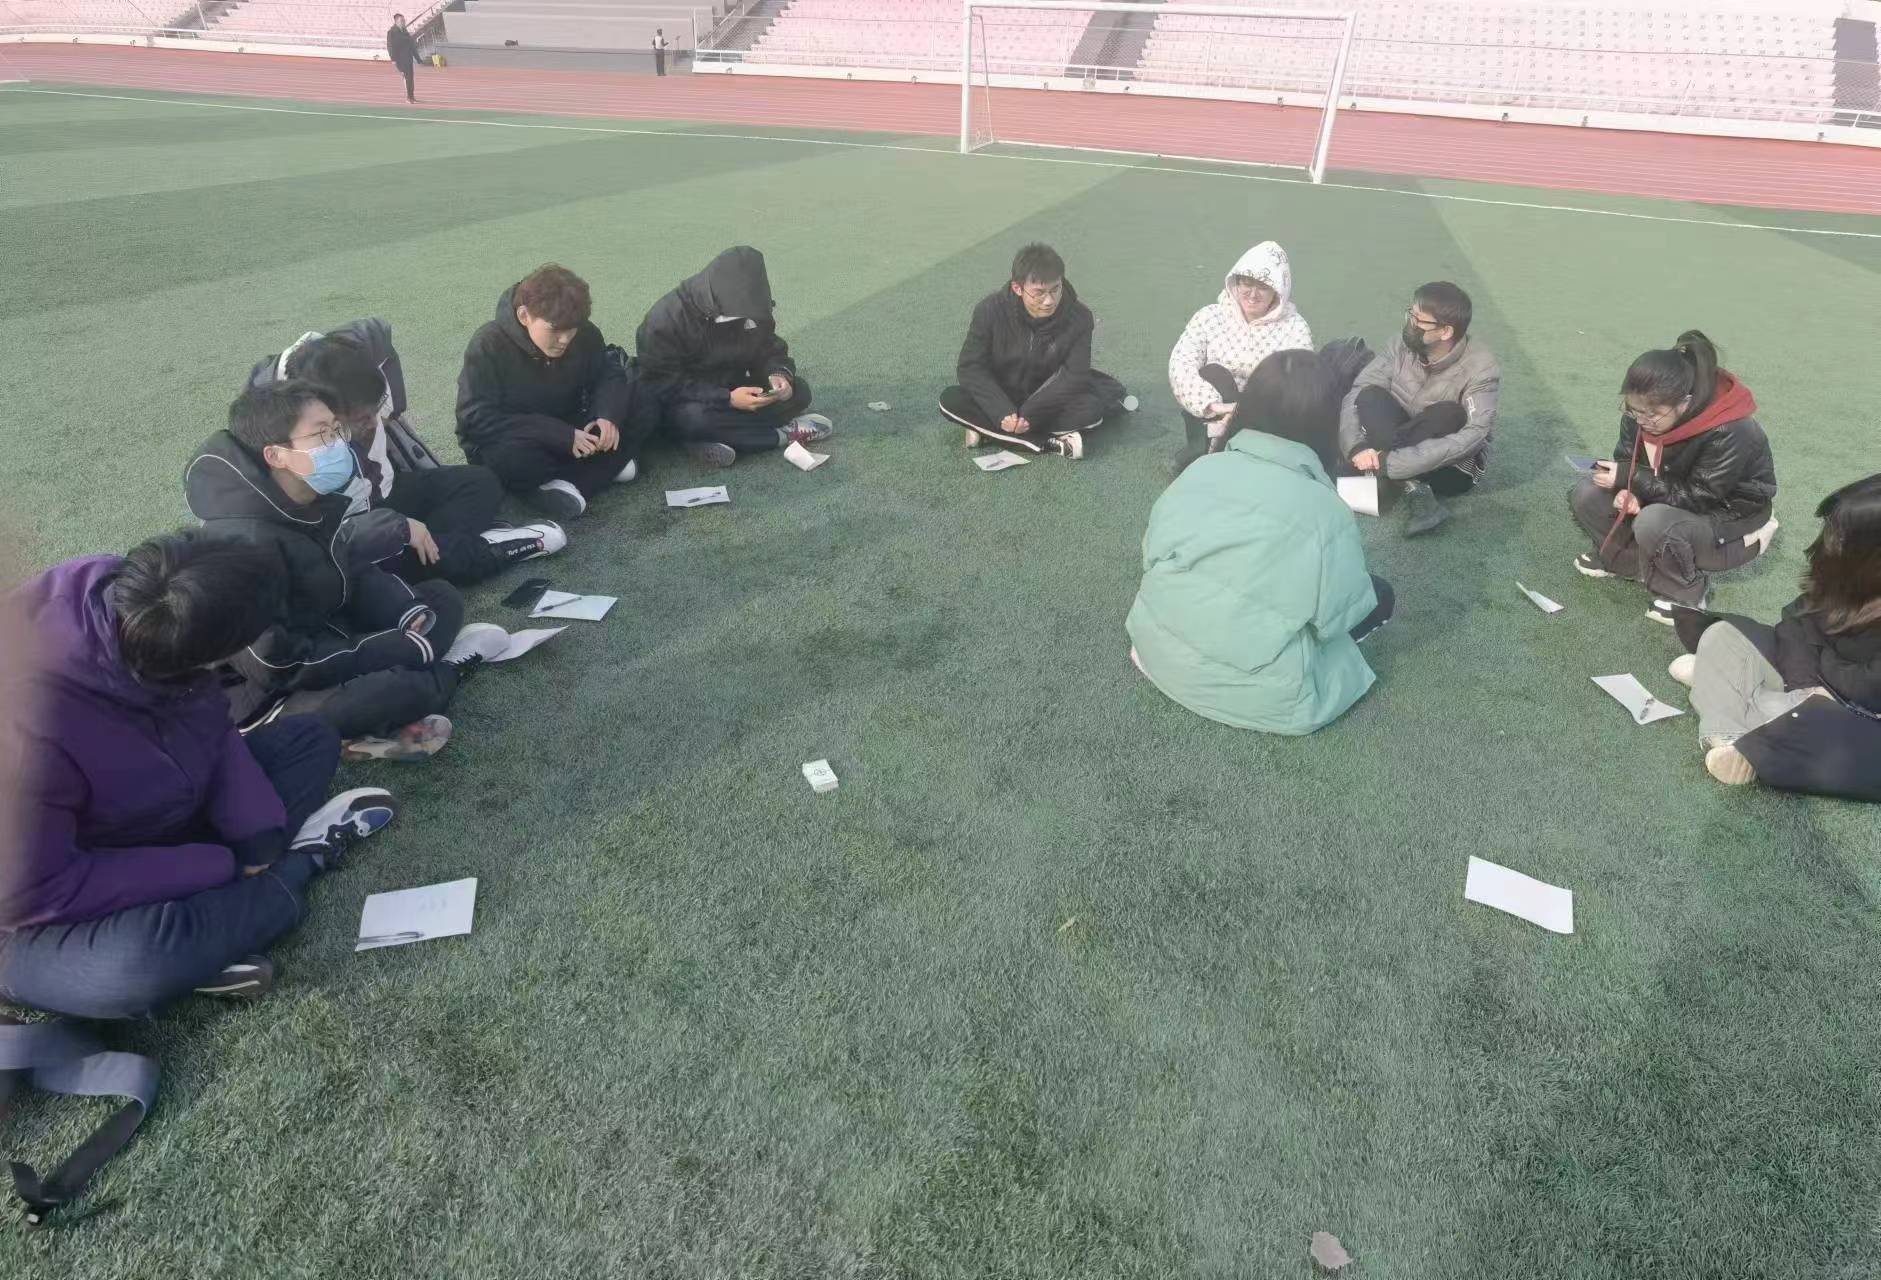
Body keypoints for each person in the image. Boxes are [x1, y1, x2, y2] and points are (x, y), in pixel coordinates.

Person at [0, 533, 399, 1020]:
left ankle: (220, 930)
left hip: (148, 819)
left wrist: (254, 836)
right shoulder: (23, 733)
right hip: (34, 907)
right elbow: (37, 891)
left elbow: (211, 724)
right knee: (135, 965)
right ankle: (298, 868)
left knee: (309, 740)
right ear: (200, 657)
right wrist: (214, 864)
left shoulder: (147, 607)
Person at [188, 382, 505, 760]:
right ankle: (446, 669)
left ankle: (404, 679)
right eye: (321, 434)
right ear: (276, 455)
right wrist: (389, 647)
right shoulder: (239, 549)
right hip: (270, 697)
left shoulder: (307, 498)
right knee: (401, 690)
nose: (338, 443)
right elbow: (279, 664)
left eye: (336, 428)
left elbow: (349, 569)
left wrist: (404, 611)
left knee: (440, 599)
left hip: (328, 632)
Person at [1127, 349, 1392, 734]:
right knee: (1377, 595)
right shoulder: (1326, 511)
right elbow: (1339, 616)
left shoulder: (1200, 469)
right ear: (1326, 420)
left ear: (1248, 404)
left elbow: (1151, 554)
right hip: (1260, 693)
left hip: (1156, 653)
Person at [252, 322, 565, 583]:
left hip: (385, 490)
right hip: (348, 522)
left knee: (480, 481)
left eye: (374, 410)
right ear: (324, 414)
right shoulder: (280, 426)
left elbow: (375, 335)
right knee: (402, 568)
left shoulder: (349, 365)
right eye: (359, 420)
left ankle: (441, 544)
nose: (371, 423)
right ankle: (487, 549)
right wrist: (393, 529)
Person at [1665, 474, 1881, 797]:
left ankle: (1727, 695)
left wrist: (1819, 675)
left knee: (1818, 722)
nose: (1829, 539)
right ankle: (1729, 733)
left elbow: (1869, 687)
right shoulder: (1842, 574)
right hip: (1805, 679)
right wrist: (1803, 680)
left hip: (1852, 711)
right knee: (1722, 635)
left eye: (1839, 534)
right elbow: (1795, 622)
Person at [1570, 330, 1778, 624]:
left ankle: (1685, 593)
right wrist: (1629, 490)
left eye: (1652, 414)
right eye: (1633, 410)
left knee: (1653, 520)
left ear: (1685, 402)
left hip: (1728, 521)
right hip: (1668, 500)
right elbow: (1628, 459)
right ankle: (1626, 562)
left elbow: (1698, 497)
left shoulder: (1731, 429)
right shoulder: (1639, 414)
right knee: (1587, 492)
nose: (1641, 420)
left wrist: (1632, 479)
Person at [457, 264, 654, 521]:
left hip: (573, 426)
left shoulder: (583, 331)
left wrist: (607, 416)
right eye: (555, 330)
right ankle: (603, 469)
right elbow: (474, 419)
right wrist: (559, 435)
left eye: (571, 330)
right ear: (524, 315)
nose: (565, 339)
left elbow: (608, 373)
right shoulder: (487, 344)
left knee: (647, 400)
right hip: (520, 438)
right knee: (510, 461)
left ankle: (566, 484)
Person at [636, 245, 831, 468]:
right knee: (692, 419)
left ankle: (711, 439)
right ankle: (781, 435)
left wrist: (777, 374)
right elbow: (661, 385)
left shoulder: (754, 308)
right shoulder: (663, 321)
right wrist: (726, 398)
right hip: (690, 399)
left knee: (799, 392)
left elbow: (769, 349)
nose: (749, 320)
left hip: (734, 387)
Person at [940, 242, 1134, 461]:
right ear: (1018, 288)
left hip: (1047, 400)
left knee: (1091, 411)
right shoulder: (989, 310)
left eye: (1055, 289)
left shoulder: (1080, 317)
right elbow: (970, 367)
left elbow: (1074, 375)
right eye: (1039, 293)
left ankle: (986, 431)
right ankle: (1050, 444)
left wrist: (1030, 415)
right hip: (1002, 394)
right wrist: (1001, 411)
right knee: (950, 399)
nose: (1049, 301)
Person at [1337, 281, 1501, 536]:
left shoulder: (1481, 368)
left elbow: (1474, 434)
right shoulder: (1400, 344)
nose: (1409, 323)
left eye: (1418, 320)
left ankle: (1380, 482)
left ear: (1445, 332)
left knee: (1449, 414)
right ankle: (1411, 489)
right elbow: (1360, 388)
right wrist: (1356, 447)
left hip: (1451, 468)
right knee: (1370, 395)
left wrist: (1391, 463)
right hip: (1396, 437)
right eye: (1410, 314)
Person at [1168, 241, 1313, 466]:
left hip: (1263, 418)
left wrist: (1247, 411)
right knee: (1214, 373)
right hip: (1216, 410)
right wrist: (1215, 406)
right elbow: (1180, 364)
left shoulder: (1295, 327)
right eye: (1247, 283)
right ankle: (1203, 449)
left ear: (1278, 291)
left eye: (1263, 286)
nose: (1252, 294)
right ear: (1235, 282)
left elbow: (1300, 384)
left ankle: (1241, 455)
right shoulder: (1210, 316)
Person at [386, 13, 419, 104]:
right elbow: (390, 46)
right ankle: (409, 97)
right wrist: (393, 59)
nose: (404, 22)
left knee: (410, 78)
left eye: (404, 20)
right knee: (407, 77)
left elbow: (410, 44)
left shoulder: (404, 30)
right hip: (400, 59)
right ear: (396, 21)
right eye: (402, 21)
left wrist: (417, 58)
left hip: (408, 57)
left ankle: (411, 96)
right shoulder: (391, 32)